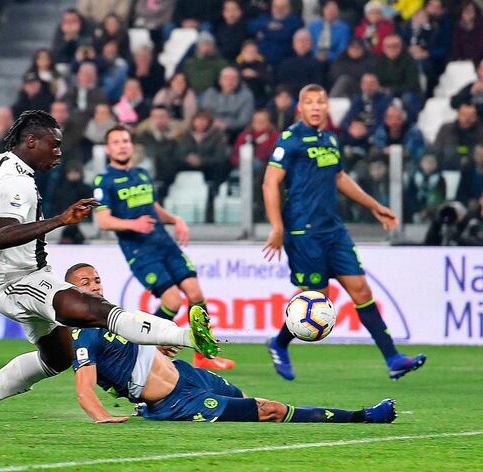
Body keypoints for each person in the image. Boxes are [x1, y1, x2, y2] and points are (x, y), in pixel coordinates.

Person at [0, 110, 221, 433]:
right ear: (31, 142)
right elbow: (3, 235)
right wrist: (61, 219)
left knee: (58, 357)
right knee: (96, 310)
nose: (59, 152)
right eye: (53, 145)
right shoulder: (17, 183)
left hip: (21, 278)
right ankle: (187, 336)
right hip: (18, 282)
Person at [66, 263, 397, 424]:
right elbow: (85, 388)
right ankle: (363, 417)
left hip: (188, 376)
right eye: (85, 282)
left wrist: (160, 348)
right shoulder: (84, 332)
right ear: (71, 293)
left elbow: (132, 350)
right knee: (270, 410)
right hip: (175, 402)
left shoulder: (112, 315)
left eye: (96, 279)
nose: (95, 285)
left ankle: (145, 409)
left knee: (239, 396)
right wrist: (101, 416)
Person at [262, 84, 427, 381]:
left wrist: (375, 205)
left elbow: (339, 177)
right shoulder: (290, 139)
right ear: (300, 107)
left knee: (362, 291)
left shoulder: (329, 140)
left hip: (333, 230)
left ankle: (393, 359)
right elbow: (270, 182)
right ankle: (279, 342)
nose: (315, 107)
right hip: (303, 232)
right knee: (316, 299)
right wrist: (277, 226)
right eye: (309, 102)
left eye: (320, 102)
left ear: (327, 107)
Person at [94, 124, 235, 371]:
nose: (122, 145)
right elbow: (103, 220)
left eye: (125, 140)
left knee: (196, 295)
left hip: (164, 244)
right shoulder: (104, 181)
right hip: (140, 251)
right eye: (116, 142)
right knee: (172, 301)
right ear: (108, 148)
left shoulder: (141, 174)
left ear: (131, 144)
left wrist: (175, 219)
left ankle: (203, 355)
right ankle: (144, 350)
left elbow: (153, 208)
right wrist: (133, 224)